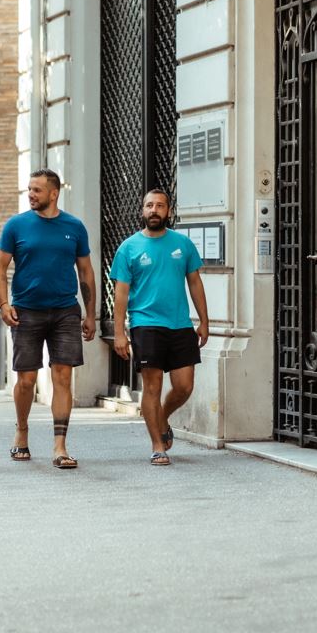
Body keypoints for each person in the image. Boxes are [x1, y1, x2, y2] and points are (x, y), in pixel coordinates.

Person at [0, 169, 96, 469]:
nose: (31, 194)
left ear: (54, 193)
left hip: (65, 310)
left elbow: (86, 272)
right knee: (26, 380)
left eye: (37, 190)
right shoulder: (16, 225)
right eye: (29, 189)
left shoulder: (74, 227)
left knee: (62, 376)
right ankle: (21, 431)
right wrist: (3, 304)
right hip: (26, 311)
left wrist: (91, 314)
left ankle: (60, 445)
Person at [110, 189, 209, 465]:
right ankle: (157, 445)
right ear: (142, 211)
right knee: (152, 386)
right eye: (149, 205)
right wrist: (120, 332)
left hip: (179, 324)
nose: (154, 210)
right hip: (145, 324)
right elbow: (120, 293)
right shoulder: (128, 248)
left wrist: (204, 320)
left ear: (169, 211)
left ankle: (162, 416)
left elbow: (195, 283)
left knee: (184, 386)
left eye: (160, 206)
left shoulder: (183, 244)